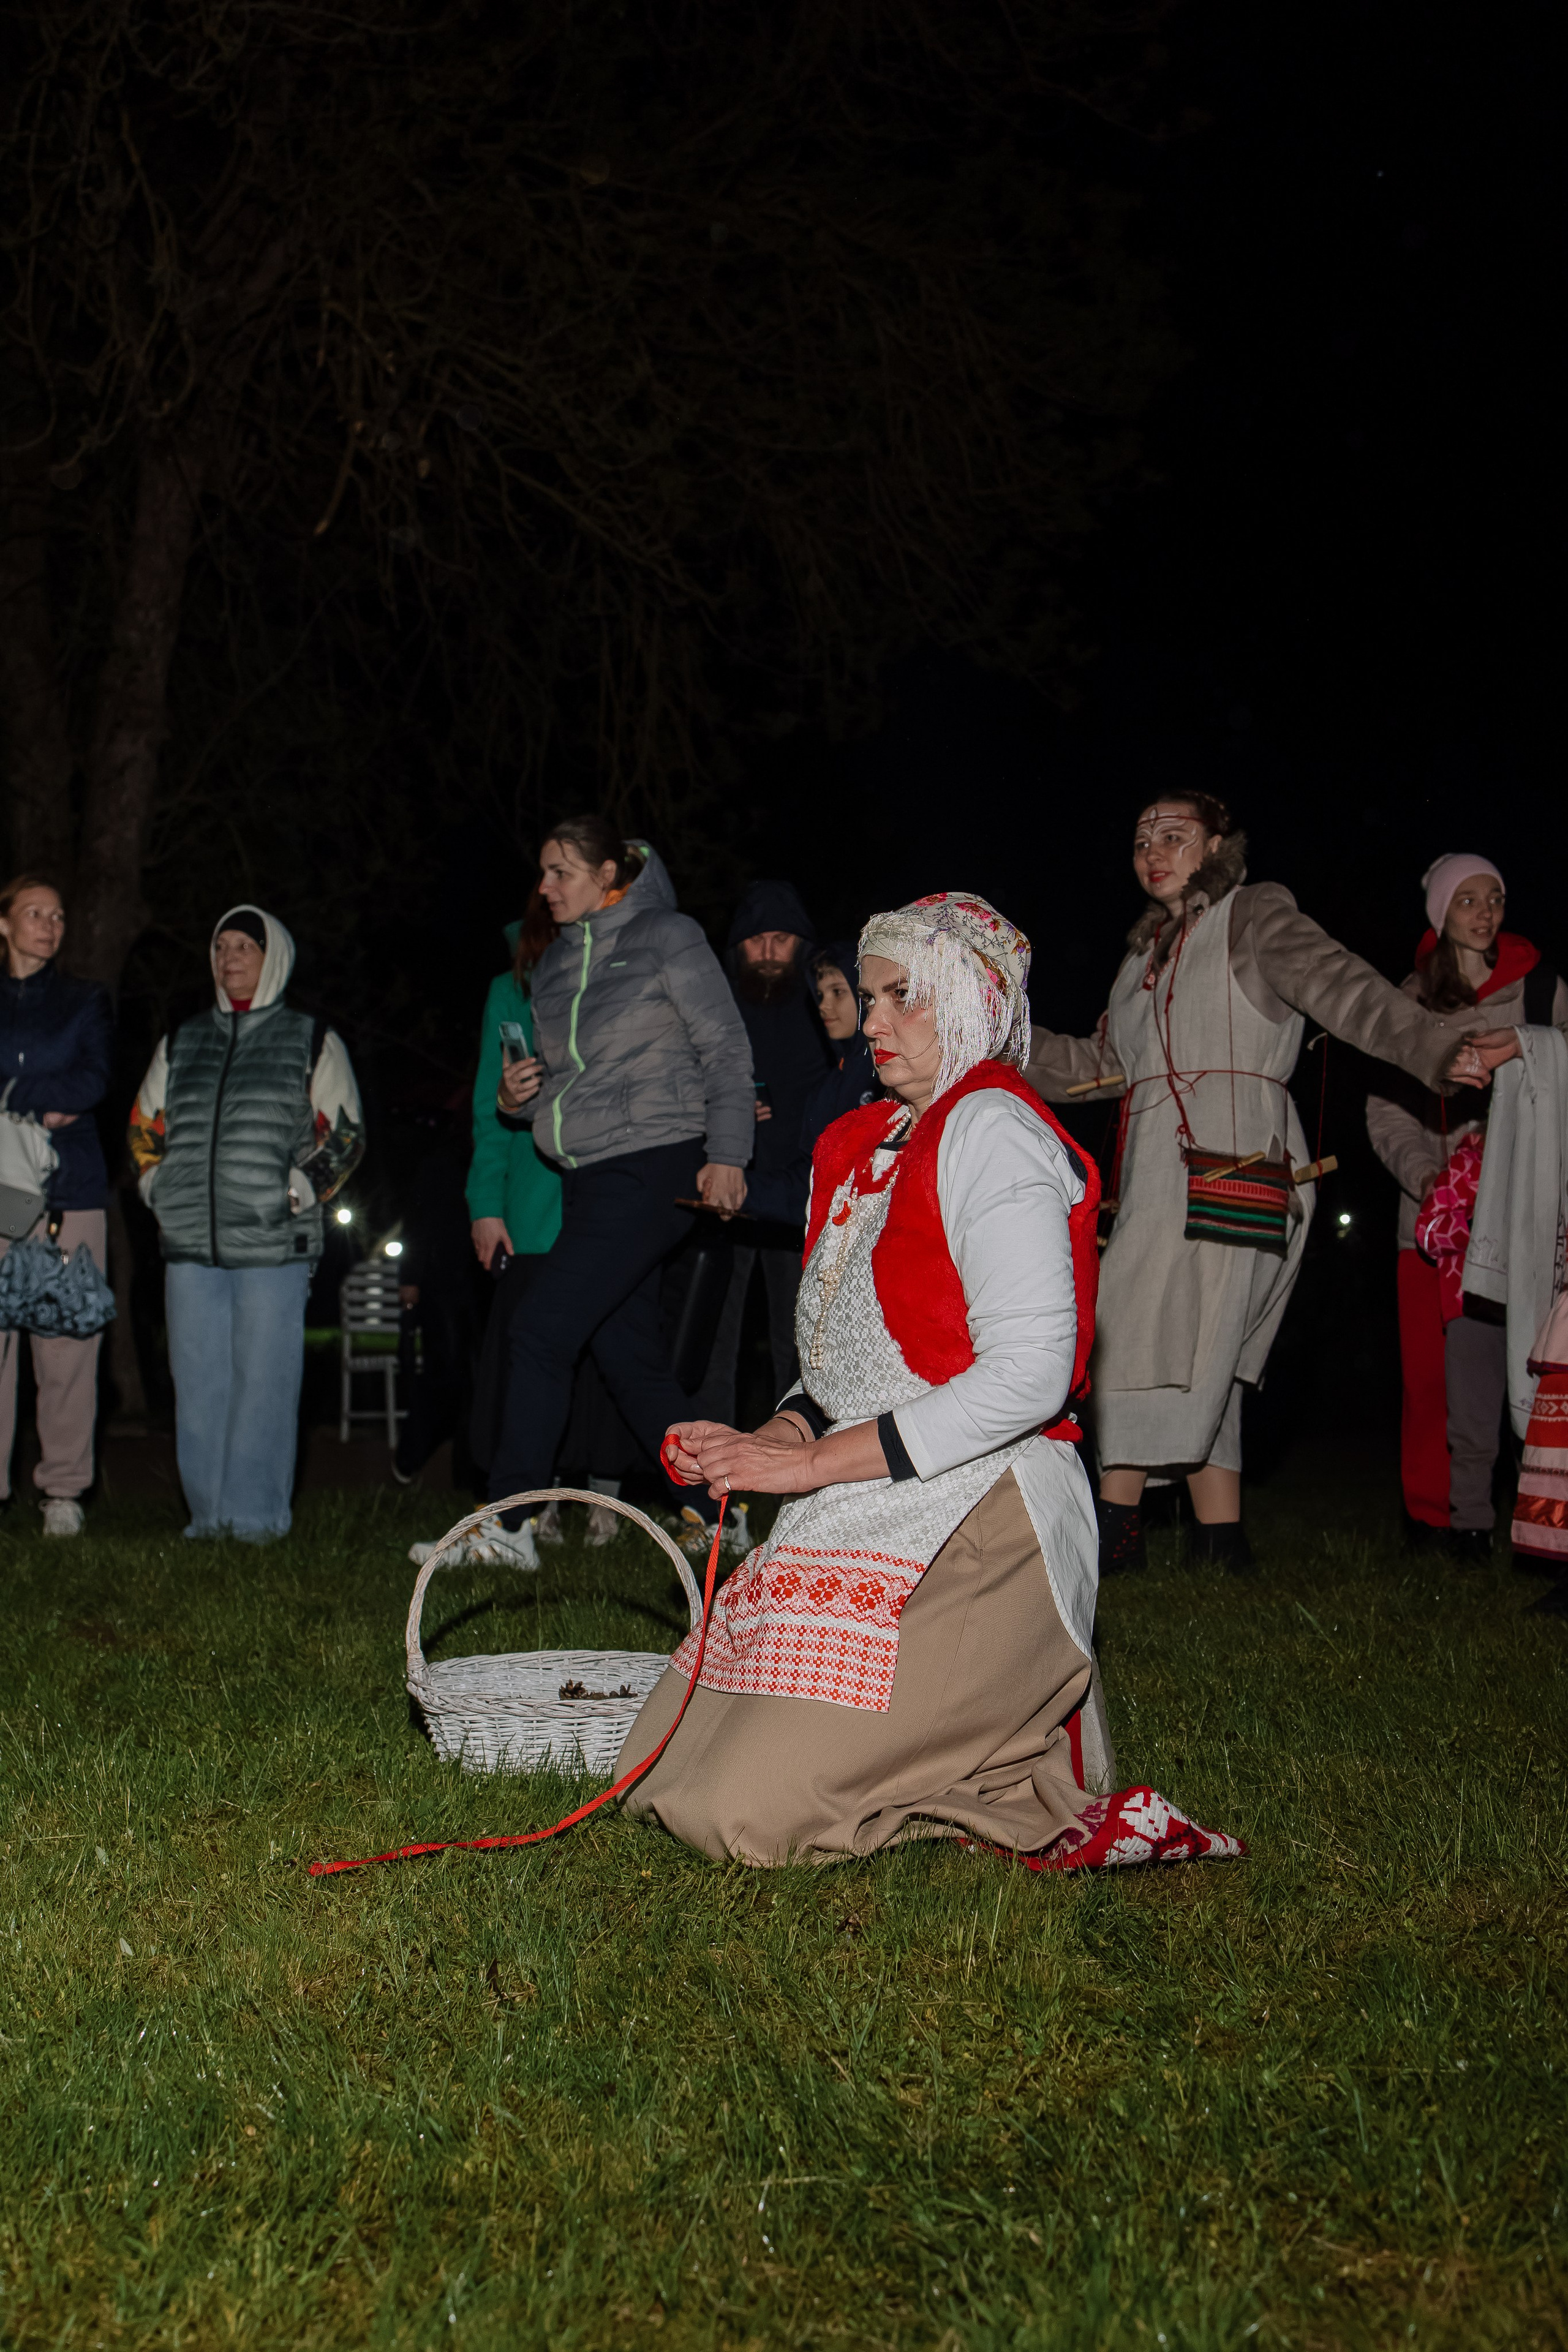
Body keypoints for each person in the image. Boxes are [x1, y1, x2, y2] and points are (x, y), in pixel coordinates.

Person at [619, 891, 1245, 1874]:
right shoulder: (855, 1144)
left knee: (742, 1813)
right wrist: (780, 1435)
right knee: (655, 1770)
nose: (871, 1024)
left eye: (902, 996)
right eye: (870, 998)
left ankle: (1004, 1752)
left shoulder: (994, 1129)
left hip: (986, 1509)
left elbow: (1032, 1378)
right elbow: (843, 1353)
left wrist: (816, 1463)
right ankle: (970, 1761)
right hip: (860, 1489)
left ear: (972, 1001)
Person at [1024, 797, 1512, 1574]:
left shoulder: (1251, 916)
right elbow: (1095, 1066)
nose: (1154, 850)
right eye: (1142, 839)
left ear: (1216, 843)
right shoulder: (1138, 962)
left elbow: (1340, 985)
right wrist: (998, 1045)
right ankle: (1221, 1544)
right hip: (1157, 1171)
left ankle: (1113, 1532)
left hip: (1238, 1157)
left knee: (1136, 1333)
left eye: (1175, 836)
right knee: (1198, 1343)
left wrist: (1430, 1043)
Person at [484, 819, 755, 1559]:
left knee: (540, 1332)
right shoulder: (557, 964)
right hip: (587, 1174)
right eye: (542, 871)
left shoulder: (668, 936)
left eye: (562, 871)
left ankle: (508, 1525)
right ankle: (715, 1505)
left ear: (611, 874)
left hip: (658, 1161)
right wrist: (517, 1102)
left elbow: (724, 1045)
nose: (546, 887)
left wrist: (728, 1151)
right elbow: (562, 1089)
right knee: (625, 1352)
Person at [128, 905, 364, 1541]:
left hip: (272, 1244)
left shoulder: (311, 1039)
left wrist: (294, 1193)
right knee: (198, 1383)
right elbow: (145, 1128)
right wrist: (159, 1188)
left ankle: (256, 1520)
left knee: (263, 1385)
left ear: (274, 958)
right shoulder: (181, 1042)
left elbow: (343, 1135)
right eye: (221, 948)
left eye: (244, 948)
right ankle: (208, 1519)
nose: (229, 959)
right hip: (190, 1244)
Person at [1366, 856, 1566, 1559]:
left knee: (1532, 1368)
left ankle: (1531, 1517)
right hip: (1434, 1218)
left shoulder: (1541, 993)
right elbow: (1387, 1109)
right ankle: (1433, 1520)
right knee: (1429, 1378)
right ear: (1441, 915)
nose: (1484, 913)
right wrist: (1425, 1176)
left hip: (1526, 1212)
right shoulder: (1412, 999)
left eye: (1495, 899)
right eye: (1467, 901)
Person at [0, 874, 113, 1536]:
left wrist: (15, 1089)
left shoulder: (84, 999)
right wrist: (40, 1093)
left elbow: (92, 1078)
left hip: (67, 1195)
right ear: (5, 925)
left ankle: (63, 1490)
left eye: (59, 915)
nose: (49, 924)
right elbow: (60, 1087)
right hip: (0, 1193)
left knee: (66, 1339)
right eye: (34, 913)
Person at [704, 881, 832, 1421]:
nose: (769, 953)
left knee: (798, 1340)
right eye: (757, 942)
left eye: (781, 940)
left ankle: (796, 1466)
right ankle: (708, 1460)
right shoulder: (716, 1002)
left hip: (797, 1196)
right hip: (728, 1193)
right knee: (713, 1334)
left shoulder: (823, 1002)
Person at [742, 939, 880, 1226]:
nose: (824, 1006)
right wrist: (742, 1190)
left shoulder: (888, 1076)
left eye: (838, 993)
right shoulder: (831, 1082)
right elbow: (812, 1180)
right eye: (819, 995)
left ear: (867, 996)